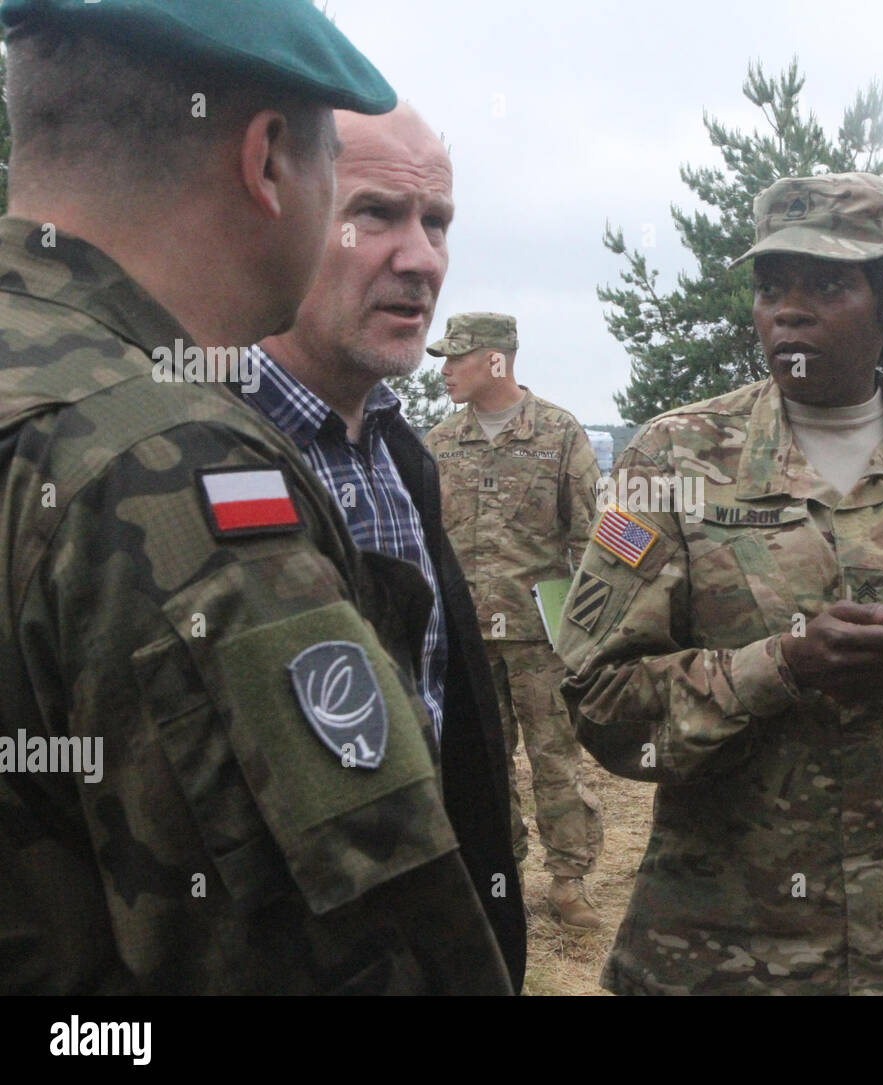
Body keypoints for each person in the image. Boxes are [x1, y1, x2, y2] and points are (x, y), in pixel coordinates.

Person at [0, 0, 511, 995]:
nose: (420, 258)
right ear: (268, 159)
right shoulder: (173, 463)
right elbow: (345, 950)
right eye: (361, 200)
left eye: (436, 223)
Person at [555, 172, 883, 995]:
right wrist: (780, 666)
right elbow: (598, 700)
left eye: (829, 284)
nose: (788, 310)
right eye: (772, 286)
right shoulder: (675, 458)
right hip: (721, 956)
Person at [248, 107, 526, 986]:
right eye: (375, 213)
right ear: (279, 206)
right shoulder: (190, 449)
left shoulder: (403, 456)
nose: (422, 259)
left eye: (435, 222)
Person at [425, 313, 605, 929]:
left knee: (557, 761)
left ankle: (569, 882)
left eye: (456, 358)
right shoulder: (439, 442)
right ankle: (499, 874)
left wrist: (589, 630)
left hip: (540, 638)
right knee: (482, 767)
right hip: (466, 638)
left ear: (495, 361)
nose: (444, 370)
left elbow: (592, 539)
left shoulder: (559, 434)